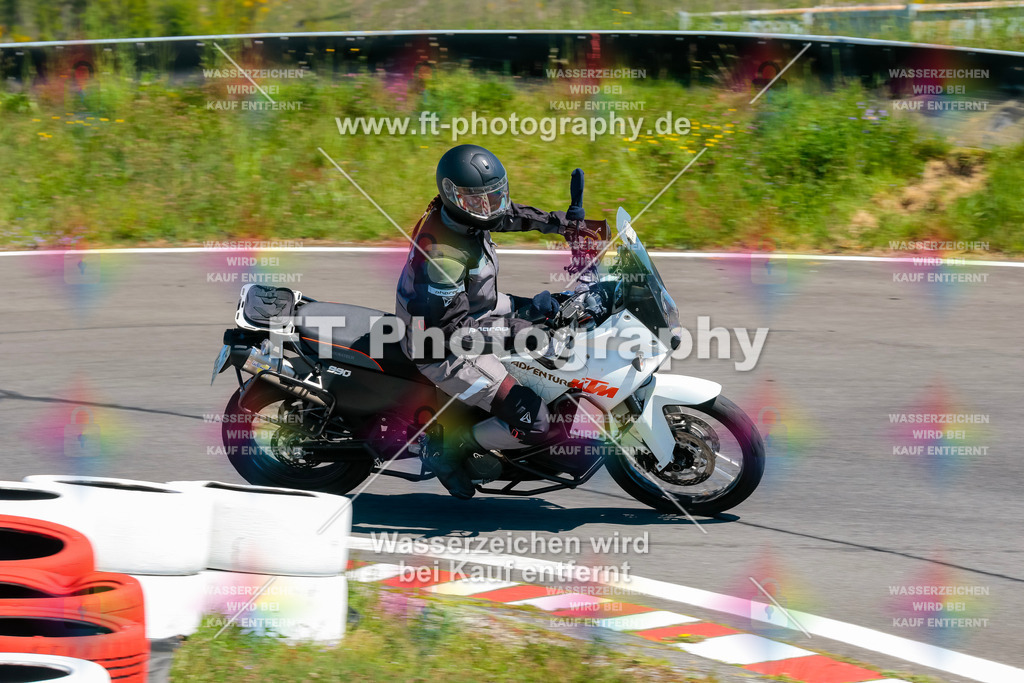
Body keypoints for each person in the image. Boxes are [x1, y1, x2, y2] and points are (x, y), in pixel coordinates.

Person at [395, 143, 604, 499]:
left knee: (555, 310)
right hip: (439, 345)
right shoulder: (443, 255)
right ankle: (450, 449)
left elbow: (507, 215)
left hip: (473, 309)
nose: (490, 207)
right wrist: (521, 332)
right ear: (453, 197)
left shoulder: (465, 214)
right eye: (480, 201)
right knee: (533, 419)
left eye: (495, 195)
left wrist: (565, 224)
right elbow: (454, 332)